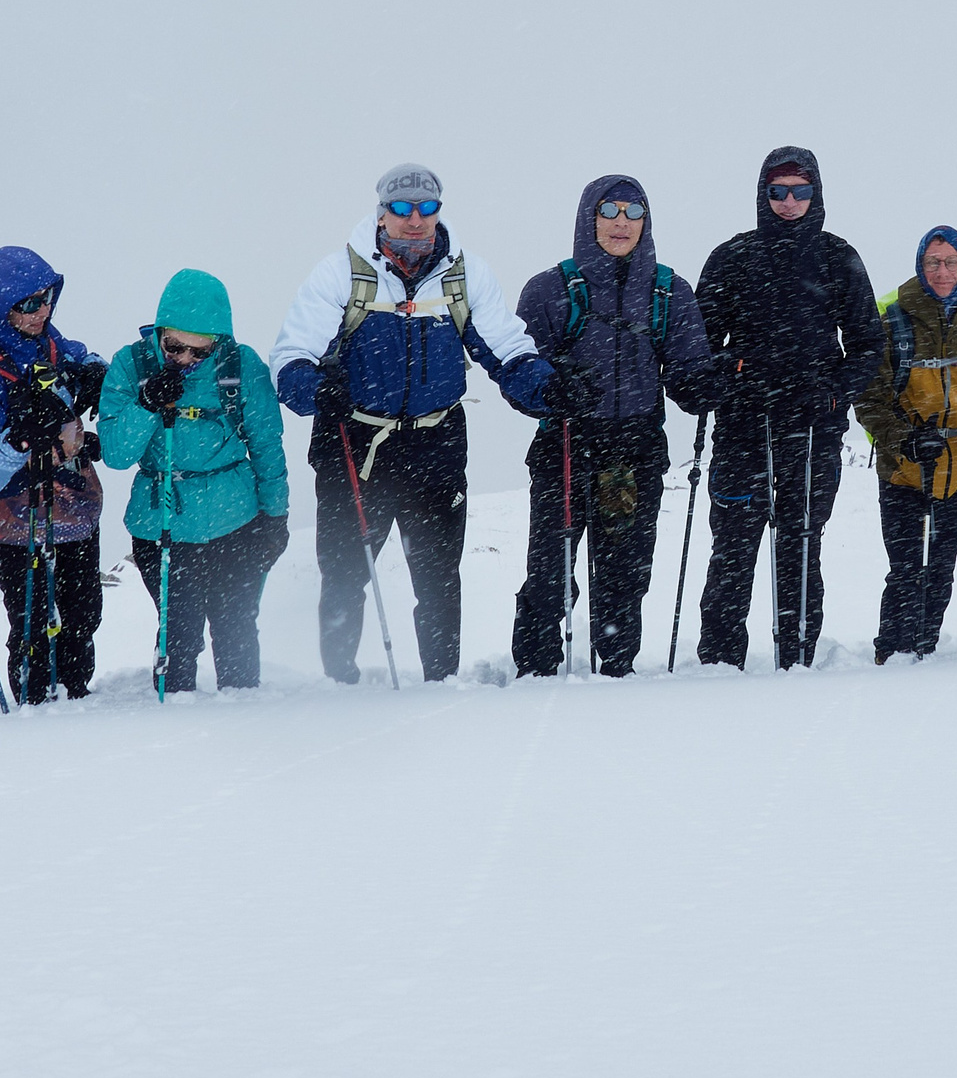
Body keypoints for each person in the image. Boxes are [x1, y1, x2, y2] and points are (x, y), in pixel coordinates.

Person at [271, 164, 566, 684]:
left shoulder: (464, 275)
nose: (414, 220)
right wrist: (315, 389)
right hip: (356, 444)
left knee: (437, 578)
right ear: (381, 211)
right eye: (402, 208)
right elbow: (291, 356)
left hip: (438, 443)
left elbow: (508, 349)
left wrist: (547, 388)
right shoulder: (341, 273)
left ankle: (441, 684)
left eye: (426, 208)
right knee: (343, 575)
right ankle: (339, 686)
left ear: (438, 212)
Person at [508, 175, 718, 676]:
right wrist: (549, 390)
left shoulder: (668, 291)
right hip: (566, 445)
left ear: (646, 221)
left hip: (636, 449)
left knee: (624, 571)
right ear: (589, 217)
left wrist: (708, 385)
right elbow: (516, 368)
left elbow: (688, 370)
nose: (621, 222)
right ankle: (536, 671)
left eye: (633, 211)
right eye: (610, 210)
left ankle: (617, 668)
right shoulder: (549, 290)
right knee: (551, 571)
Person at [692, 147, 882, 669]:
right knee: (733, 547)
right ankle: (718, 662)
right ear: (763, 194)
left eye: (801, 190)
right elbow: (700, 345)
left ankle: (796, 657)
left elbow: (869, 344)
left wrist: (833, 389)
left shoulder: (836, 256)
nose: (790, 201)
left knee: (800, 543)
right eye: (779, 191)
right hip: (743, 427)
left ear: (816, 195)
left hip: (813, 428)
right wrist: (733, 373)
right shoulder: (733, 256)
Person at [97, 270, 290, 692]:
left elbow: (267, 445)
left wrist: (276, 515)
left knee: (236, 626)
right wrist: (147, 405)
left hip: (236, 520)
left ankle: (244, 722)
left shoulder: (242, 367)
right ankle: (174, 726)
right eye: (175, 347)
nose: (185, 359)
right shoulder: (132, 366)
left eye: (199, 352)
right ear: (160, 330)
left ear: (219, 341)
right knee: (178, 628)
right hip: (161, 523)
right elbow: (115, 453)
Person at [0, 246, 109, 702]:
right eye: (29, 303)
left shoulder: (51, 344)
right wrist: (19, 438)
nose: (43, 309)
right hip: (15, 518)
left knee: (83, 613)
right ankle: (34, 705)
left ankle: (77, 694)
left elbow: (86, 356)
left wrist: (96, 372)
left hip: (74, 507)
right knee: (33, 620)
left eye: (47, 296)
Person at [856, 227, 957, 662]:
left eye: (950, 262)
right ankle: (893, 651)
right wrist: (904, 438)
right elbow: (869, 398)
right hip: (903, 470)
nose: (942, 271)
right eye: (933, 262)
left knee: (942, 566)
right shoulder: (892, 322)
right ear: (919, 266)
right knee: (906, 569)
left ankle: (923, 647)